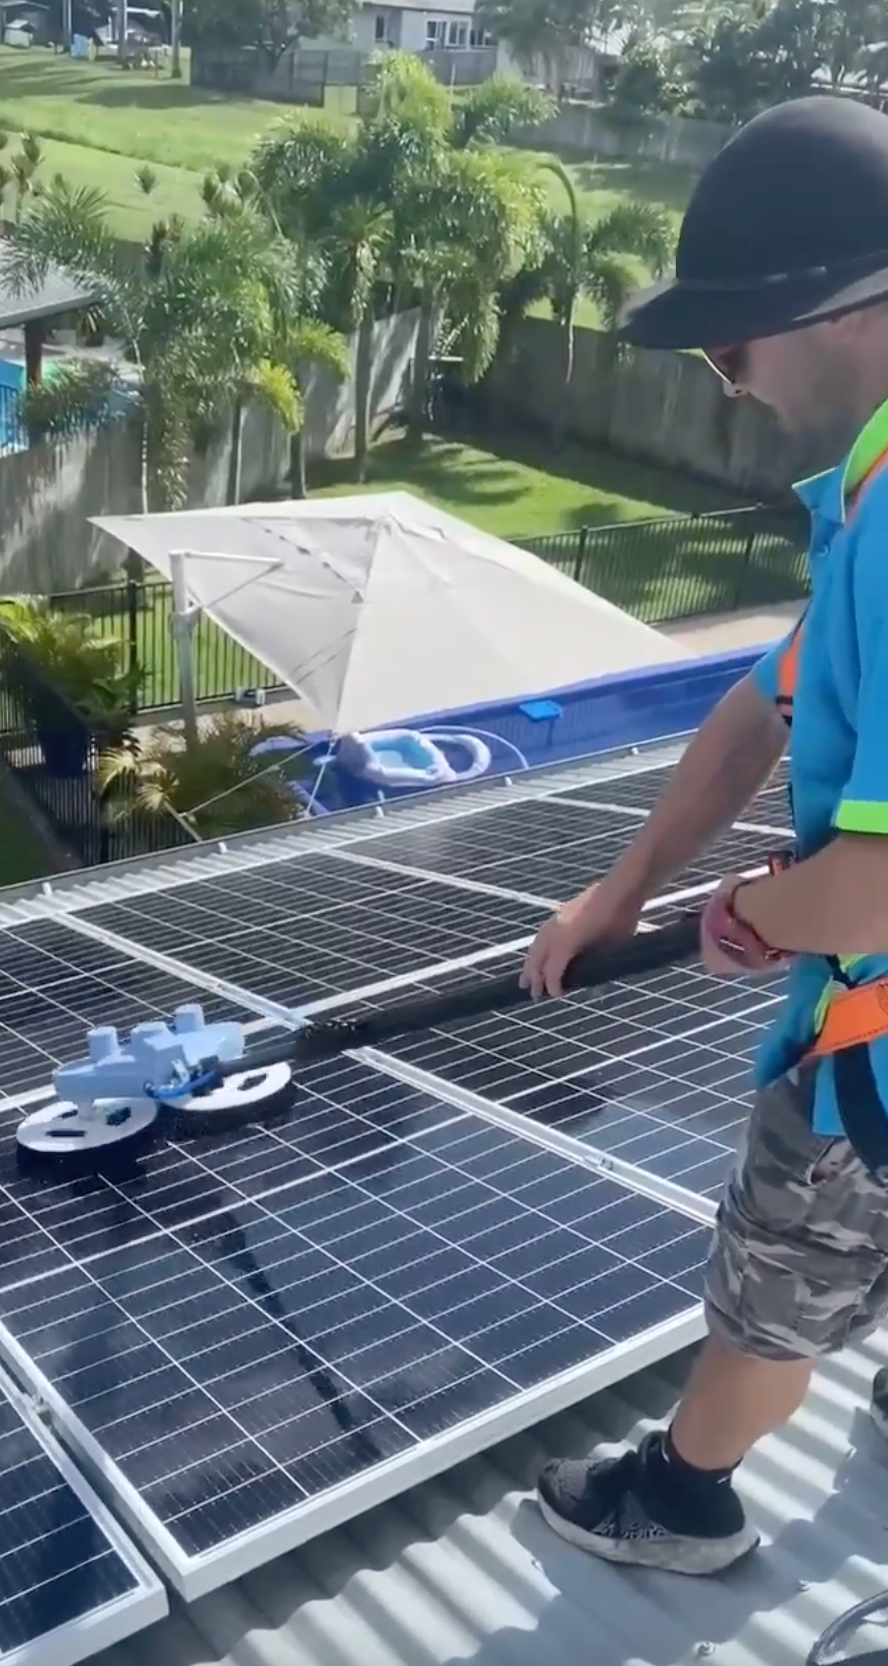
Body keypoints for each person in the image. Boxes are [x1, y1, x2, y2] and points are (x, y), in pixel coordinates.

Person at [520, 92, 888, 1577]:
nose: (727, 383)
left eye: (733, 342)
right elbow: (766, 699)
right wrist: (627, 886)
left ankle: (680, 1499)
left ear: (846, 305)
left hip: (872, 1045)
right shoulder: (866, 502)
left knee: (776, 1284)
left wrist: (755, 916)